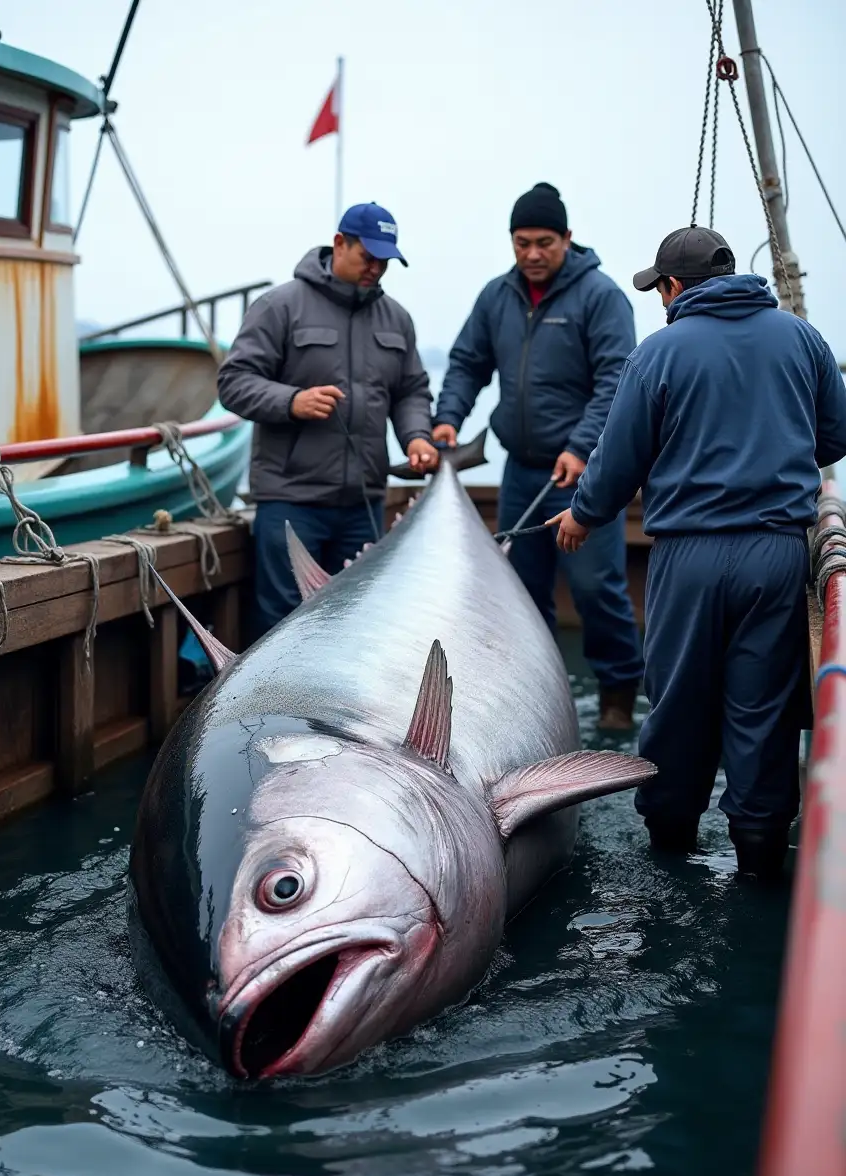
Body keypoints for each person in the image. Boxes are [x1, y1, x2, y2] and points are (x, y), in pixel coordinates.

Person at [548, 225, 846, 879]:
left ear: (674, 287)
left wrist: (582, 516)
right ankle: (762, 854)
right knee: (763, 709)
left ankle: (670, 846)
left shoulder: (658, 353)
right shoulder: (801, 337)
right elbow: (833, 437)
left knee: (679, 702)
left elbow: (618, 459)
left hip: (691, 557)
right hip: (776, 554)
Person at [432, 182, 644, 730]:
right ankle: (535, 703)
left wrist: (582, 448)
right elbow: (465, 363)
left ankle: (619, 696)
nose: (531, 254)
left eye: (543, 242)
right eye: (521, 242)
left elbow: (618, 382)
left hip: (585, 476)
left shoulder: (600, 296)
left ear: (568, 239)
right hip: (522, 472)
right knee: (520, 594)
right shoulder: (496, 296)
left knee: (597, 589)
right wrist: (449, 415)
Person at [217, 203, 438, 636]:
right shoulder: (279, 306)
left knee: (358, 626)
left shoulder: (397, 318)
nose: (376, 268)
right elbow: (233, 382)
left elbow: (411, 390)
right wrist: (291, 400)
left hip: (364, 504)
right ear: (339, 244)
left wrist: (416, 436)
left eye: (385, 261)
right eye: (367, 256)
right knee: (281, 627)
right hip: (291, 503)